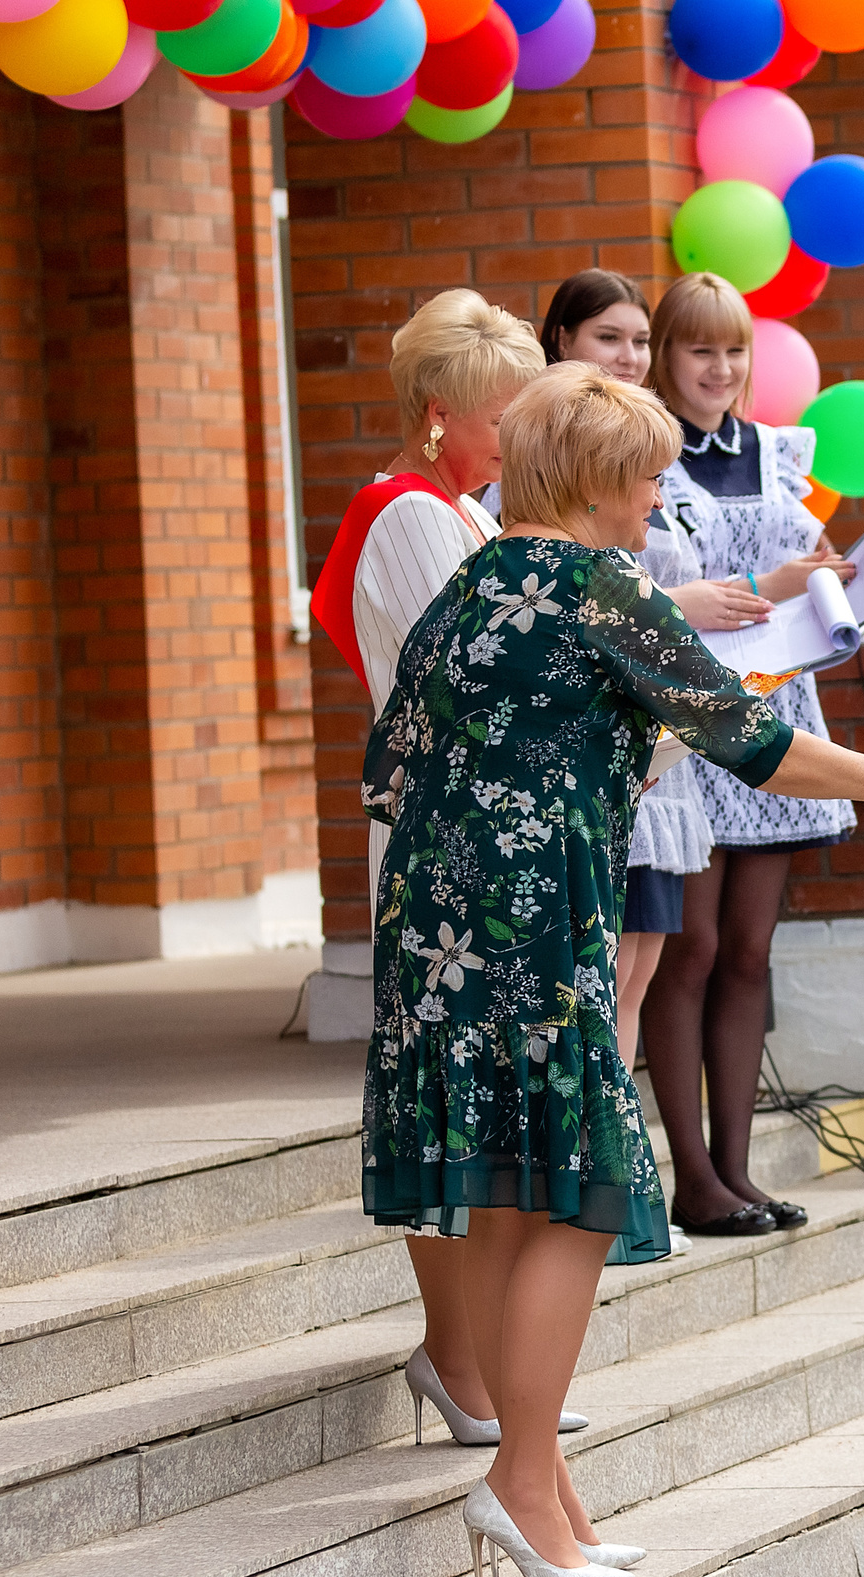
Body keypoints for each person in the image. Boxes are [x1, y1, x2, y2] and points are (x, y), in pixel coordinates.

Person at [361, 365, 864, 1577]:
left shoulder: (468, 582)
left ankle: (543, 1494)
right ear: (592, 481)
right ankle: (523, 1484)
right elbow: (752, 744)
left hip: (434, 938)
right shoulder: (603, 587)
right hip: (535, 939)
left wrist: (581, 763)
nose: (657, 497)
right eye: (645, 476)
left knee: (496, 1198)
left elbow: (388, 764)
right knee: (580, 1199)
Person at [306, 287, 576, 1452]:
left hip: (473, 836)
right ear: (435, 415)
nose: (520, 437)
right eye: (502, 414)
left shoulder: (456, 511)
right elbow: (472, 687)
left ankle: (468, 1361)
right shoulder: (414, 517)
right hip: (451, 842)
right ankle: (459, 1359)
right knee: (453, 1103)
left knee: (473, 1101)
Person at [640, 272, 858, 1238]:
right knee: (690, 947)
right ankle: (690, 1172)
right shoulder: (640, 457)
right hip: (688, 716)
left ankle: (736, 1170)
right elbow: (647, 585)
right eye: (699, 350)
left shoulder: (780, 452)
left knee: (750, 949)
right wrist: (767, 578)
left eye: (734, 351)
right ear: (663, 356)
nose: (720, 369)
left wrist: (839, 583)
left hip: (775, 704)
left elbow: (805, 566)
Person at [535, 270, 776, 1080]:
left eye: (640, 339)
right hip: (604, 738)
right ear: (562, 340)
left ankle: (623, 1164)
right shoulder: (549, 448)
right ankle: (599, 1168)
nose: (631, 355)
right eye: (613, 337)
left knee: (636, 973)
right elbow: (560, 593)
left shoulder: (643, 444)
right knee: (607, 979)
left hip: (663, 746)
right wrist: (685, 604)